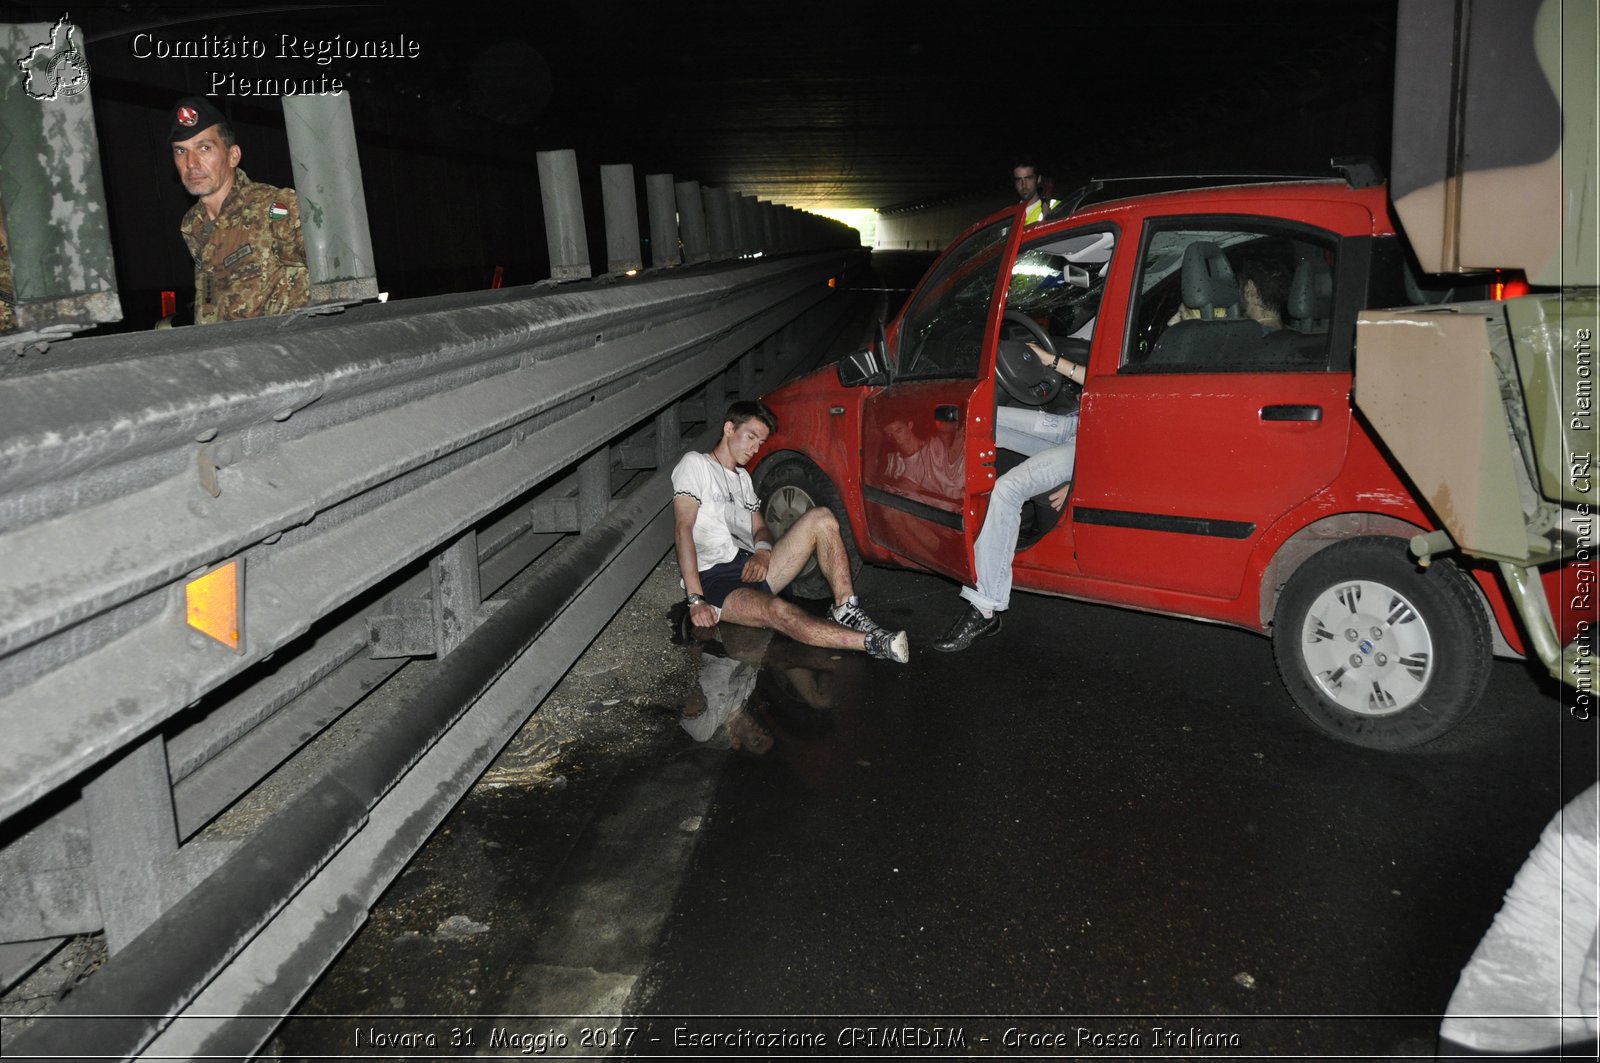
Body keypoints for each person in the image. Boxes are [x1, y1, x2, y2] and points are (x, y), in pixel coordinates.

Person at [672, 400, 911, 664]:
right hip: (715, 579)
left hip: (750, 566)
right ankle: (874, 643)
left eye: (760, 443)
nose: (755, 448)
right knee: (778, 611)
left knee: (822, 517)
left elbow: (760, 528)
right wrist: (696, 599)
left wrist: (763, 552)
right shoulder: (696, 465)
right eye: (751, 437)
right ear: (729, 428)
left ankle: (845, 608)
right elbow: (684, 529)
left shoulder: (742, 479)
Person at [934, 345, 1085, 652]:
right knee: (979, 415)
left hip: (1090, 441)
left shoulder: (1174, 349)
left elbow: (1127, 417)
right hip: (1072, 423)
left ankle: (985, 607)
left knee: (1007, 489)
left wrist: (1082, 476)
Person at [170, 96, 309, 325]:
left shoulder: (274, 207)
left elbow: (331, 275)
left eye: (204, 148)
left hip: (281, 353)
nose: (191, 163)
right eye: (180, 151)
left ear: (233, 156)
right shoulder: (193, 225)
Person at [1012, 157, 1061, 226]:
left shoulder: (1056, 207)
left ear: (1038, 179)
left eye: (1028, 178)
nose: (1024, 185)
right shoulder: (1010, 216)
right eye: (1019, 180)